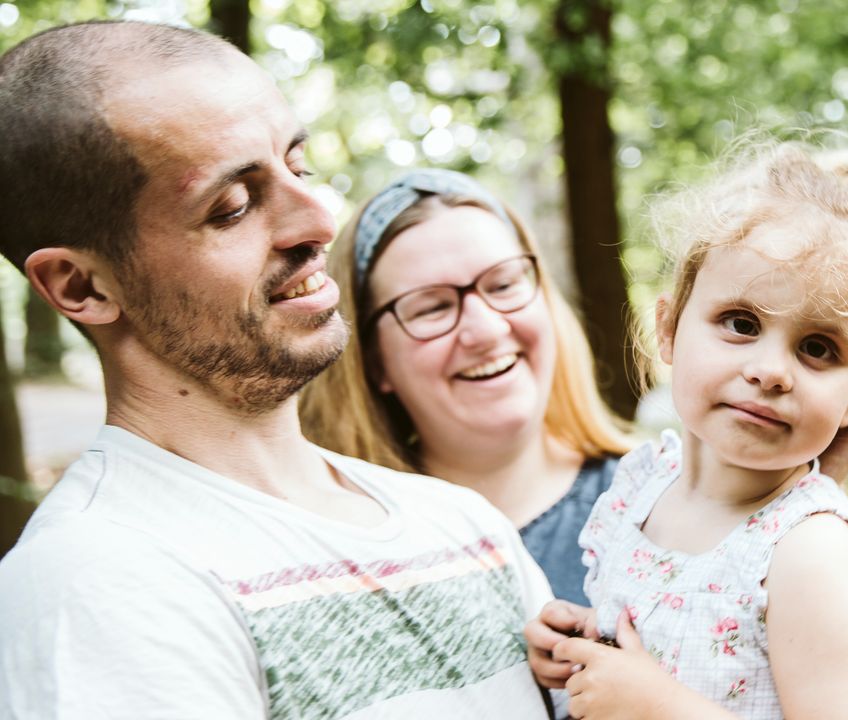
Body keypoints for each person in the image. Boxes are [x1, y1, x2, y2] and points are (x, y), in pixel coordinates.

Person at [0, 21, 555, 718]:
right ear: (82, 287)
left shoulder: (461, 525)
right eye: (231, 207)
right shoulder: (95, 582)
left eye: (301, 166)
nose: (320, 219)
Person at [299, 167, 848, 609]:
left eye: (504, 283)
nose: (486, 328)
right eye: (431, 307)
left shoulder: (651, 500)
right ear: (371, 360)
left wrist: (823, 471)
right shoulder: (340, 554)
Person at [526, 142, 848, 719]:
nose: (771, 371)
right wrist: (588, 644)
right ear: (668, 329)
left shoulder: (812, 553)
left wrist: (656, 706)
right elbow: (685, 640)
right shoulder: (642, 489)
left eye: (817, 348)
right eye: (741, 322)